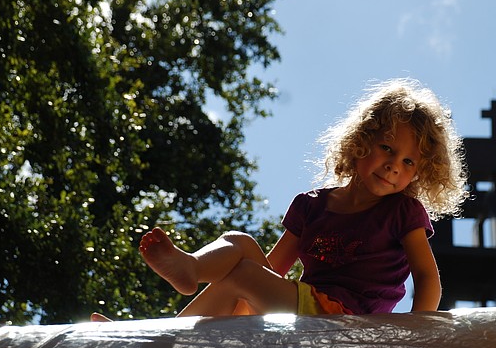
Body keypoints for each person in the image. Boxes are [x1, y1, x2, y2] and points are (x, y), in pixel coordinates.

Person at [99, 78, 466, 320]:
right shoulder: (312, 205)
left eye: (408, 162)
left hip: (346, 321)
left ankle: (159, 331)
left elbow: (426, 276)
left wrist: (419, 332)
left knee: (238, 274)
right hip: (304, 305)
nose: (393, 166)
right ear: (360, 143)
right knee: (239, 246)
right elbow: (272, 270)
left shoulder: (402, 211)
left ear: (419, 171)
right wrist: (247, 289)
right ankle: (187, 277)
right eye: (386, 148)